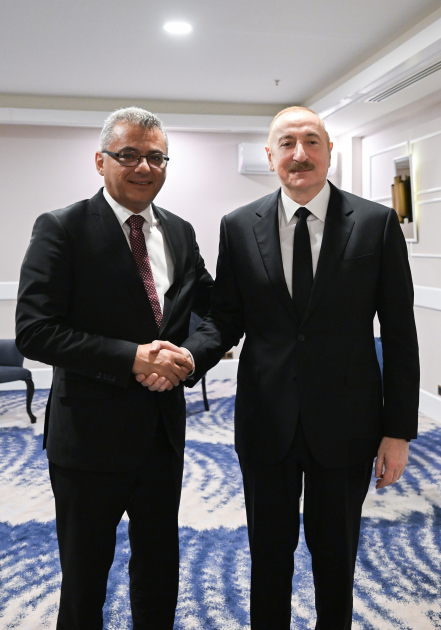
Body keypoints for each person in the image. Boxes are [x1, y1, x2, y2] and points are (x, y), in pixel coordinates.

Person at [141, 106, 420, 629]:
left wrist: (398, 431)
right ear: (270, 157)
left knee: (336, 556)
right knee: (268, 555)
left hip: (348, 423)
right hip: (265, 422)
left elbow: (401, 334)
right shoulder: (238, 226)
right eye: (287, 143)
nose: (300, 154)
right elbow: (227, 319)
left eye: (312, 141)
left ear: (330, 152)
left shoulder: (376, 224)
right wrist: (189, 357)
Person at [15, 106, 213, 630]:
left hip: (162, 436)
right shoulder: (62, 227)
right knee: (85, 583)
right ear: (100, 161)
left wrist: (188, 356)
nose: (144, 167)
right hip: (89, 439)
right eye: (128, 155)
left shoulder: (180, 231)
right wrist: (132, 358)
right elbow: (35, 330)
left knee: (159, 573)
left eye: (156, 157)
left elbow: (214, 311)